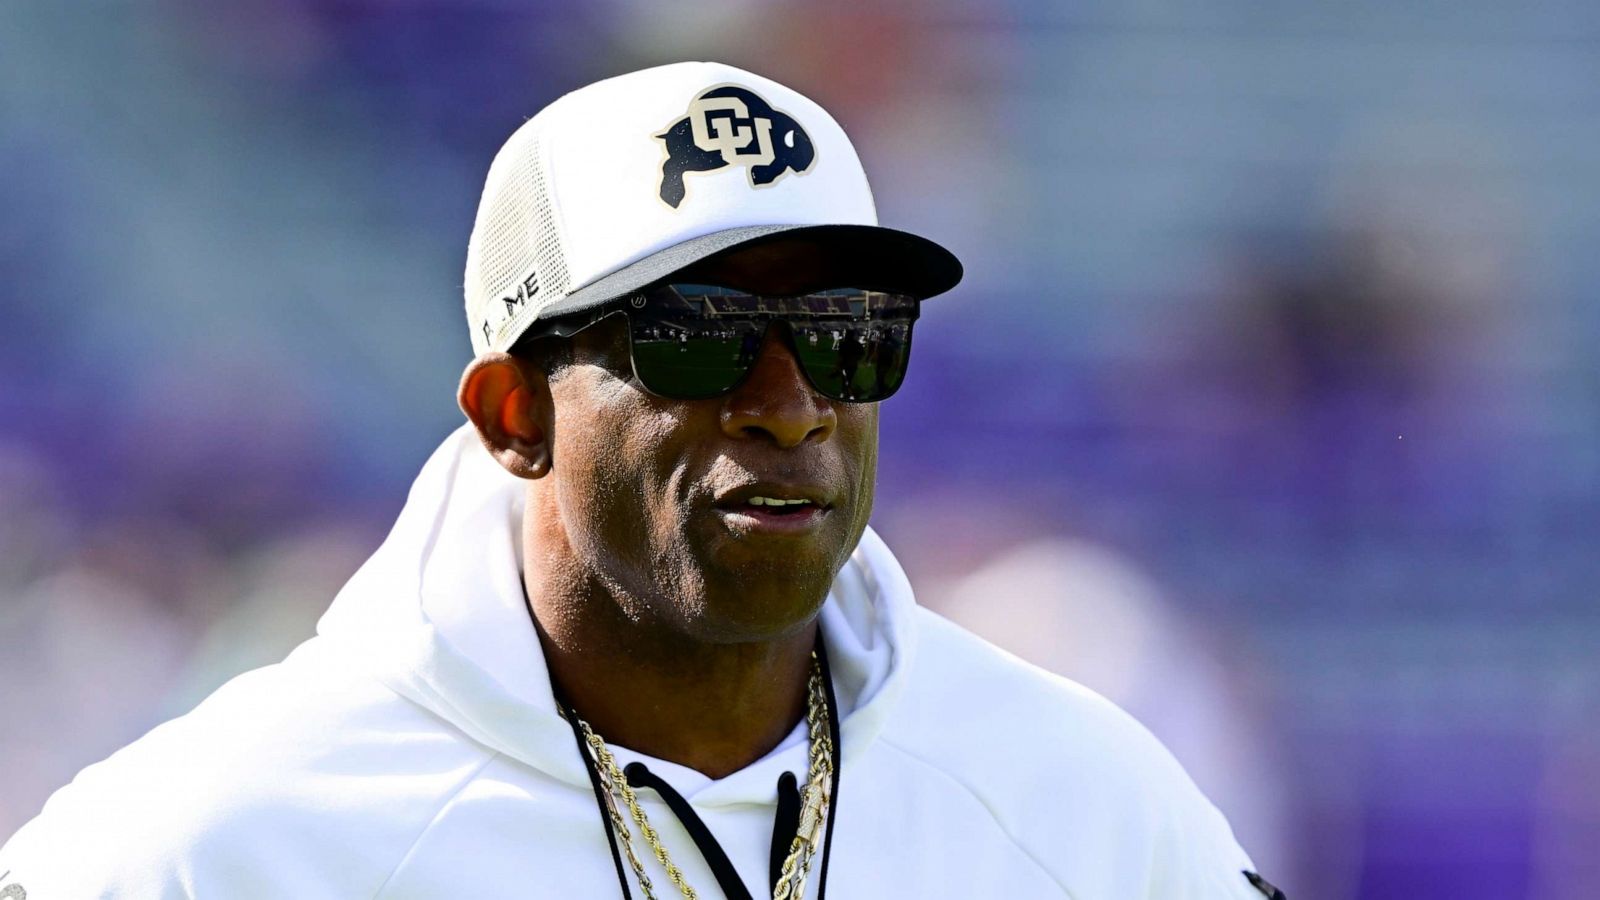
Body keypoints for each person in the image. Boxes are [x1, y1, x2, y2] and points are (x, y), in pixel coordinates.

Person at [0, 61, 1285, 899]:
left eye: (847, 332)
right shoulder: (215, 845)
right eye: (699, 333)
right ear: (514, 415)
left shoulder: (1085, 805)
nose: (789, 405)